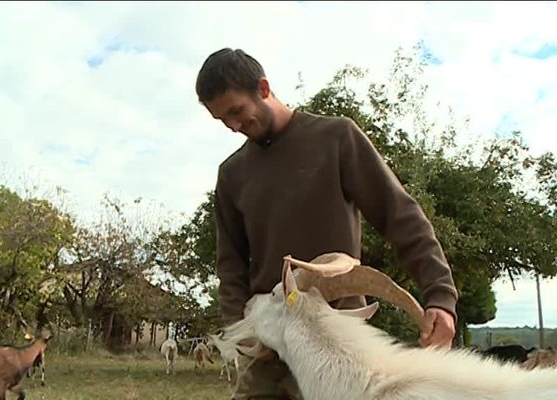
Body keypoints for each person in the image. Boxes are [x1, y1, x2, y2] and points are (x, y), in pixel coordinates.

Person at [195, 48, 458, 400]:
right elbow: (230, 267)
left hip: (338, 334)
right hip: (268, 341)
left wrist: (440, 295)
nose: (233, 126)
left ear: (263, 88)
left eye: (236, 112)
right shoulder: (231, 175)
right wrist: (245, 334)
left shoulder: (336, 137)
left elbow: (400, 216)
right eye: (222, 120)